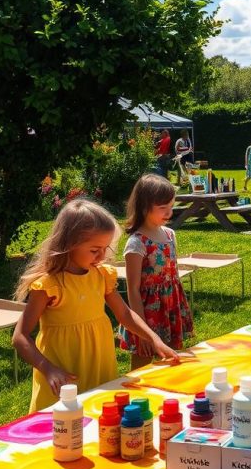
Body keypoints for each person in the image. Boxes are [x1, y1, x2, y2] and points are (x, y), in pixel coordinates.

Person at [12, 198, 179, 412]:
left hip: (99, 364)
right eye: (94, 250)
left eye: (105, 248)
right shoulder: (49, 285)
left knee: (101, 419)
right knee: (62, 426)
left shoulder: (101, 276)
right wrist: (48, 369)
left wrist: (154, 339)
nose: (102, 255)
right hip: (63, 374)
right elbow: (20, 336)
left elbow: (125, 315)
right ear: (70, 244)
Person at [120, 174, 194, 370]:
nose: (169, 212)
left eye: (171, 206)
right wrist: (142, 331)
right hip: (145, 313)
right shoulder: (136, 243)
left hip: (170, 307)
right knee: (142, 365)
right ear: (144, 207)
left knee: (171, 360)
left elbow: (174, 276)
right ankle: (137, 397)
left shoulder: (170, 235)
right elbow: (133, 289)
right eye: (163, 208)